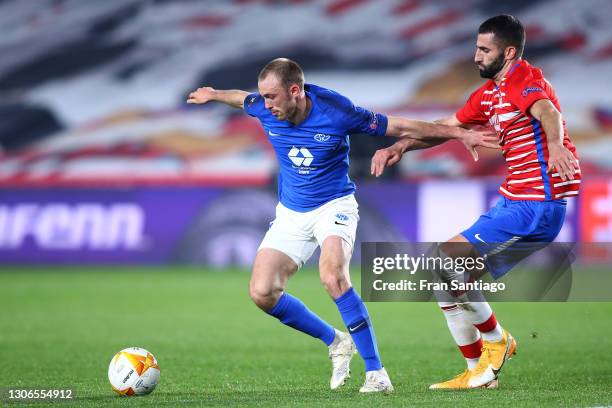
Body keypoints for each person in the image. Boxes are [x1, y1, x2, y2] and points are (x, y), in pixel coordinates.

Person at [187, 58, 496, 393]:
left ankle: (376, 372)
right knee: (262, 293)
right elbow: (241, 98)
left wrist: (457, 133)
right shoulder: (262, 107)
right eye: (263, 97)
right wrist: (215, 93)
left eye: (273, 97)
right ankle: (336, 342)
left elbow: (402, 126)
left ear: (295, 90)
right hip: (292, 213)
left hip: (334, 206)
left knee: (333, 277)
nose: (267, 104)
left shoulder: (336, 110)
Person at [371, 14, 580, 389]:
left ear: (509, 52)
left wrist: (554, 145)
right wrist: (401, 145)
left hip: (536, 204)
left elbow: (549, 111)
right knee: (446, 280)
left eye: (485, 49)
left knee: (444, 258)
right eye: (476, 48)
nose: (476, 56)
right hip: (516, 200)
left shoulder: (523, 79)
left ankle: (498, 342)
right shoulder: (489, 94)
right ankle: (478, 374)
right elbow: (447, 128)